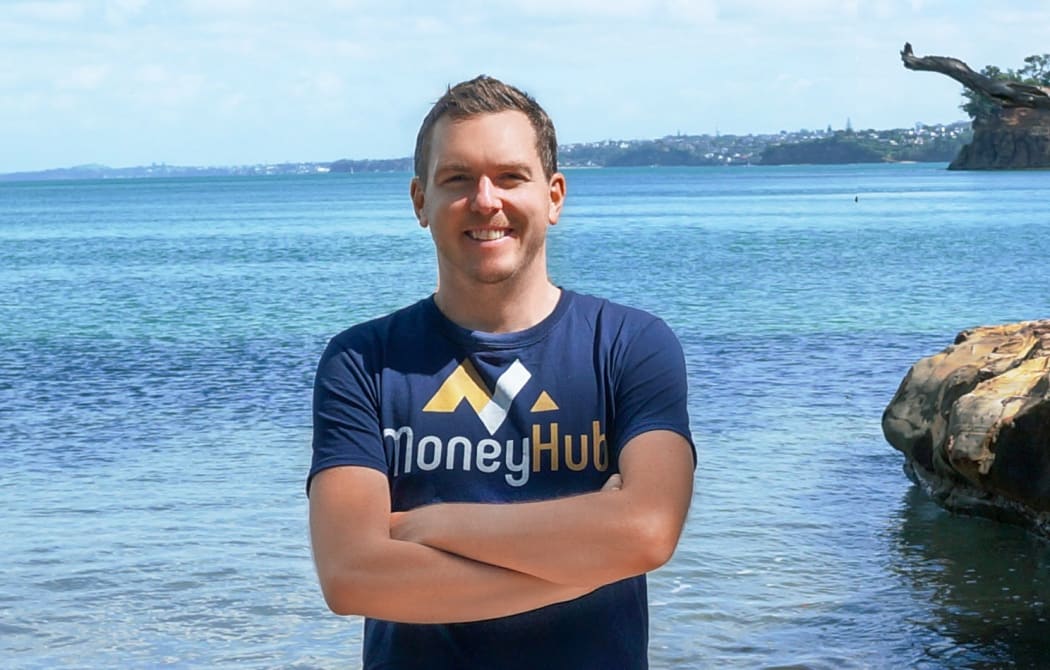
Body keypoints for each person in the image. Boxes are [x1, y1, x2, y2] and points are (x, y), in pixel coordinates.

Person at [307, 75, 696, 670]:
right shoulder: (363, 362)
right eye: (457, 179)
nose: (486, 200)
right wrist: (585, 563)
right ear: (420, 202)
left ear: (555, 196)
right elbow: (353, 578)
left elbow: (646, 531)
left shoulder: (630, 345)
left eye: (511, 177)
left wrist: (432, 525)